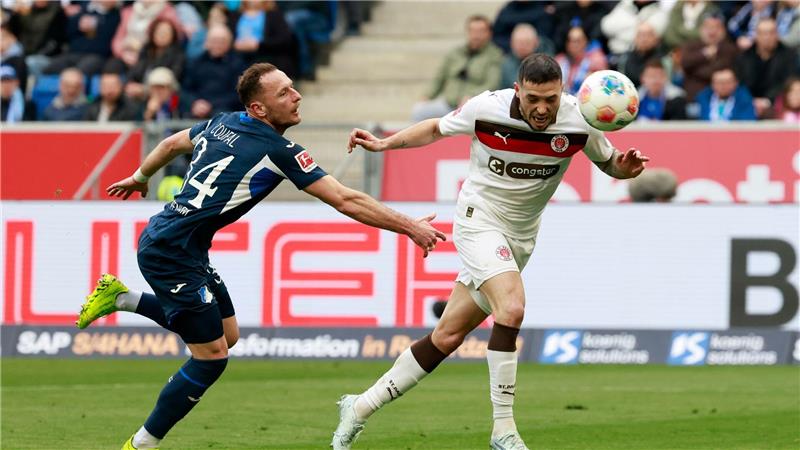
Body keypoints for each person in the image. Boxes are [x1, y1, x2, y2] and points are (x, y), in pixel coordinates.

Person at [75, 62, 446, 450]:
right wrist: (410, 226)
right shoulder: (277, 150)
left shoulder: (222, 122)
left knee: (228, 336)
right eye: (284, 92)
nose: (296, 95)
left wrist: (139, 176)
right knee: (211, 358)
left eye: (292, 87)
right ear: (259, 109)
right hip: (170, 253)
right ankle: (141, 444)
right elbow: (345, 198)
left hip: (183, 245)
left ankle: (121, 298)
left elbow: (170, 145)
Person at [332, 53, 649, 450]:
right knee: (512, 308)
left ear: (562, 93)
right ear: (518, 90)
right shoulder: (487, 108)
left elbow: (611, 164)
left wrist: (626, 167)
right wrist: (384, 144)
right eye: (533, 97)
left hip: (521, 237)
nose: (542, 108)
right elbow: (435, 128)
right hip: (478, 219)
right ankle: (503, 430)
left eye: (550, 98)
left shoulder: (579, 118)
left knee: (446, 337)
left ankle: (358, 408)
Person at [411, 15, 503, 121]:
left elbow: (492, 84)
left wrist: (472, 96)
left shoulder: (495, 56)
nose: (476, 35)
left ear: (489, 34)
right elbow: (439, 78)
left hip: (474, 107)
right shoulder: (455, 53)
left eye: (481, 31)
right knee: (419, 111)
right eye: (472, 31)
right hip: (448, 104)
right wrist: (427, 96)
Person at [734, 17, 799, 118]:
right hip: (748, 104)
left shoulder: (789, 56)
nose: (767, 37)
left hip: (778, 104)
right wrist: (751, 101)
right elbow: (739, 83)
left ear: (777, 35)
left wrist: (768, 100)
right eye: (763, 33)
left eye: (771, 33)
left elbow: (788, 82)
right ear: (756, 35)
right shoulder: (744, 57)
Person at [181, 24, 245, 119]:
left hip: (225, 111)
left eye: (222, 41)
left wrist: (211, 105)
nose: (217, 45)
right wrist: (194, 103)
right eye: (214, 41)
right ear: (207, 42)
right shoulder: (196, 62)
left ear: (229, 43)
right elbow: (186, 89)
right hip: (196, 108)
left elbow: (237, 95)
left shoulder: (238, 64)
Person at [680, 11, 738, 101]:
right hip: (694, 96)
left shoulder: (730, 49)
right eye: (708, 27)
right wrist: (704, 54)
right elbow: (685, 63)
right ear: (701, 29)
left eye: (717, 27)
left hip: (723, 98)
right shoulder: (691, 46)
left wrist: (695, 70)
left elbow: (720, 70)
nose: (712, 31)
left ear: (723, 30)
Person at [555, 25, 608, 95]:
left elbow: (603, 88)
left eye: (578, 41)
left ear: (586, 41)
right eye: (570, 41)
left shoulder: (596, 60)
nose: (574, 45)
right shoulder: (559, 60)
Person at [500, 24, 546, 89]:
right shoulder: (505, 63)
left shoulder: (545, 63)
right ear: (511, 43)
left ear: (536, 43)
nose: (522, 46)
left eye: (527, 42)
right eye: (519, 42)